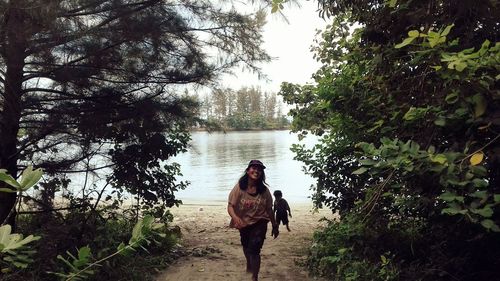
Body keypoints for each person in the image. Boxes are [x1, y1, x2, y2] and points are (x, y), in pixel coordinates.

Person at [228, 160, 279, 281]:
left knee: (255, 250)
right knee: (246, 247)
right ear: (247, 171)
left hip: (260, 222)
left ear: (262, 173)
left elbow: (269, 209)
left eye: (259, 169)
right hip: (243, 222)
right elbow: (230, 206)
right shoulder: (239, 188)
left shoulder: (264, 191)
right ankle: (249, 262)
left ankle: (255, 277)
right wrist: (235, 218)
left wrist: (274, 225)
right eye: (254, 168)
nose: (256, 171)